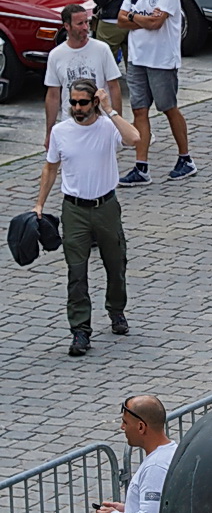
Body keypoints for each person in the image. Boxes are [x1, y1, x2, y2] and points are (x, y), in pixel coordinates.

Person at [33, 79, 137, 355]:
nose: (77, 108)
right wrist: (39, 205)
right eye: (73, 102)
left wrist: (110, 110)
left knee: (116, 264)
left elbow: (134, 139)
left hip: (106, 206)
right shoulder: (61, 131)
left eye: (82, 102)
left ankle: (116, 311)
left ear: (93, 102)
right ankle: (80, 331)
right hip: (74, 209)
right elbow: (50, 168)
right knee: (76, 272)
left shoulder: (107, 127)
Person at [116, 0, 193, 187]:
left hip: (161, 59)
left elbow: (156, 23)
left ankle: (185, 158)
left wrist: (133, 17)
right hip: (137, 58)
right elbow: (121, 19)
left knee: (168, 107)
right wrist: (140, 18)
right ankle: (141, 166)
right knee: (139, 109)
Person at [44, 4, 122, 150]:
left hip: (99, 122)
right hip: (71, 123)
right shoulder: (56, 55)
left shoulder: (101, 49)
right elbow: (53, 95)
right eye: (80, 23)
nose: (86, 27)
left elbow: (113, 86)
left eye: (87, 22)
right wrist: (49, 132)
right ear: (67, 26)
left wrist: (117, 123)